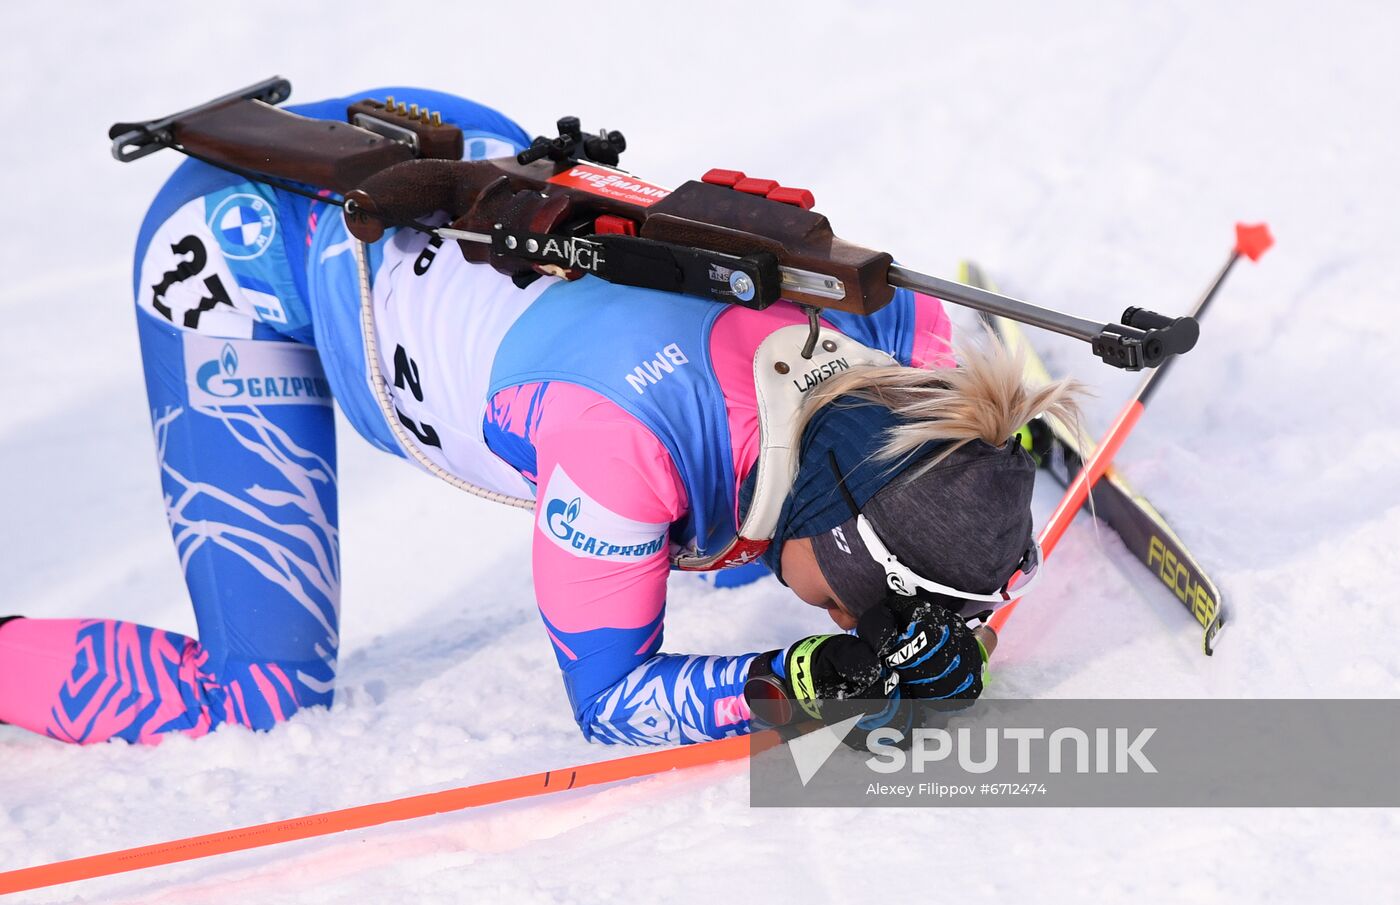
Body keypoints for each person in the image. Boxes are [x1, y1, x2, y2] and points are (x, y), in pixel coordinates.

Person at [0, 88, 1081, 746]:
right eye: (853, 602)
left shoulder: (885, 326)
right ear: (838, 537)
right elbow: (612, 699)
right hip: (252, 248)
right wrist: (798, 681)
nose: (844, 621)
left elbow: (938, 405)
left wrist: (929, 600)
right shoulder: (619, 447)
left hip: (440, 143)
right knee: (263, 695)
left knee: (751, 544)